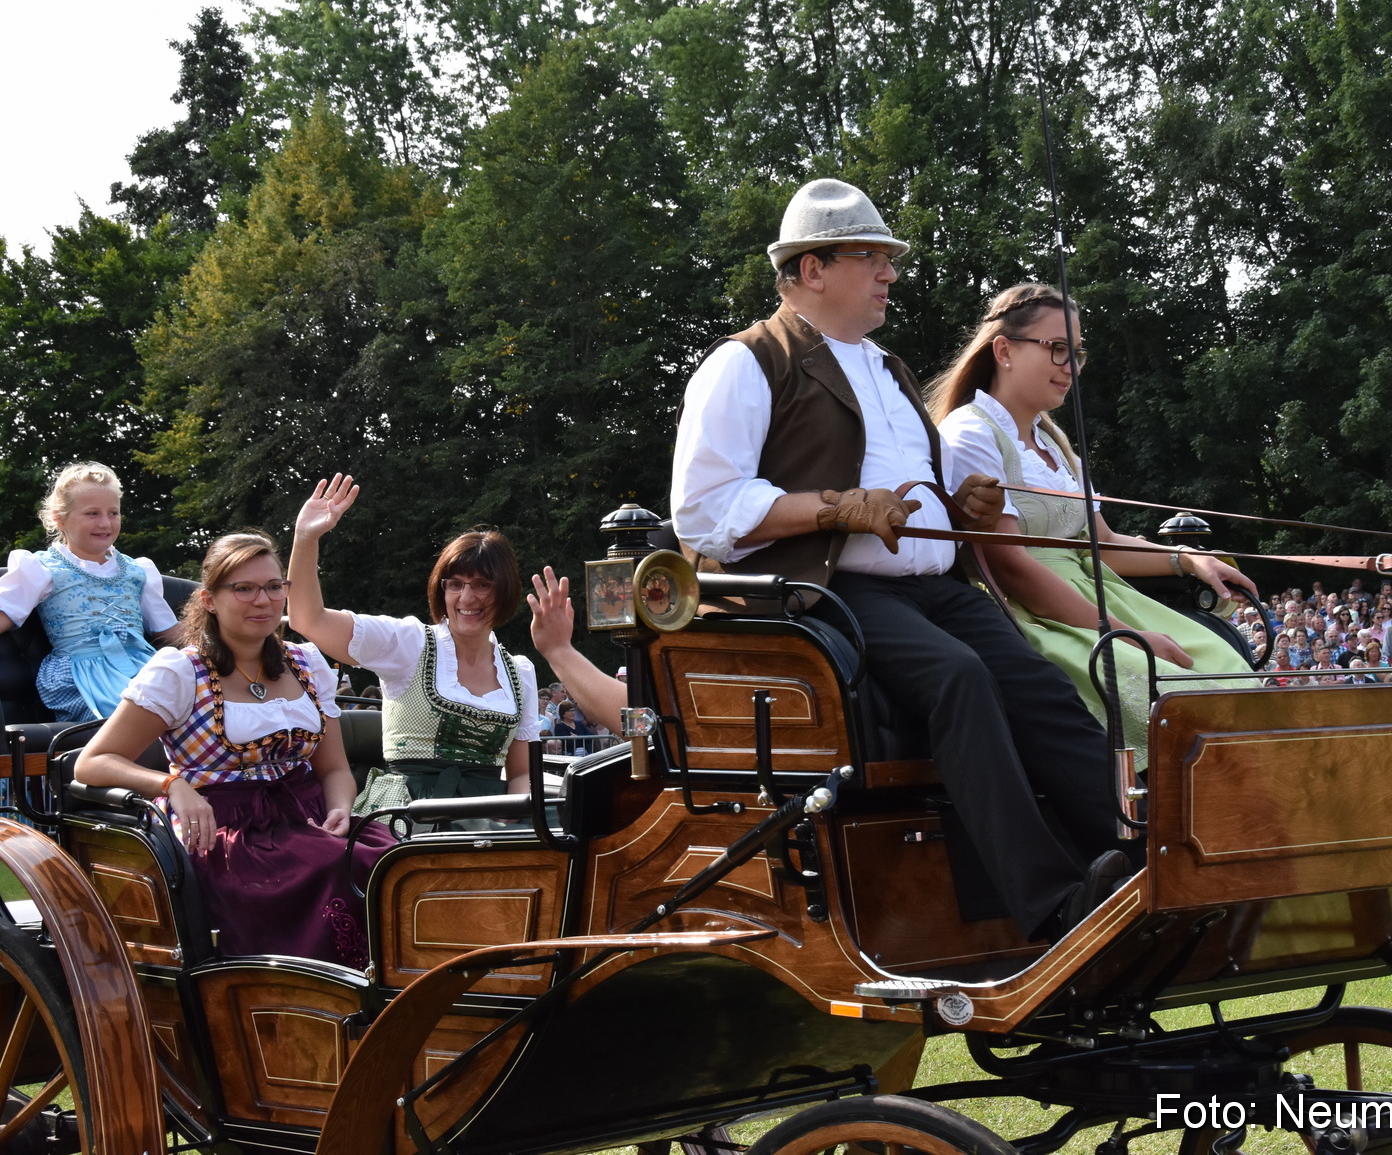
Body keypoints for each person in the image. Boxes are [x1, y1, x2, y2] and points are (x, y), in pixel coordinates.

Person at [670, 178, 1127, 942]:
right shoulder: (746, 363)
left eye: (889, 258)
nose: (889, 273)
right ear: (811, 269)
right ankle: (1051, 906)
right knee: (960, 680)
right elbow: (705, 509)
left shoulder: (887, 367)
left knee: (1042, 686)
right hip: (828, 592)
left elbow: (927, 490)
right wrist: (834, 506)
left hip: (933, 588)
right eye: (871, 256)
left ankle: (1138, 854)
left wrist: (966, 502)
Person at [929, 282, 1257, 766]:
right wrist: (1126, 634)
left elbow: (1102, 543)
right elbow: (1010, 566)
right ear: (1004, 350)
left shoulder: (1056, 443)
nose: (1071, 367)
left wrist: (1187, 560)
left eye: (1076, 353)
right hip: (1035, 611)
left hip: (1097, 592)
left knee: (1225, 663)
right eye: (1057, 349)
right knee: (1159, 686)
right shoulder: (969, 434)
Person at [74, 532, 395, 966]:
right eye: (243, 588)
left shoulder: (307, 664)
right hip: (228, 832)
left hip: (309, 816)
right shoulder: (179, 671)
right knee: (334, 868)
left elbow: (335, 769)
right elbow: (92, 762)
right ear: (209, 599)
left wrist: (340, 809)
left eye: (273, 586)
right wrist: (172, 785)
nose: (262, 600)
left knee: (394, 861)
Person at [286, 476, 625, 801]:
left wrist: (515, 816)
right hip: (409, 817)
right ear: (442, 589)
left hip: (489, 819)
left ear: (504, 592)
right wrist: (305, 538)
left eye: (482, 585)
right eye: (456, 584)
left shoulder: (518, 672)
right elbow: (308, 619)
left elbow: (520, 774)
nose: (467, 598)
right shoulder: (408, 643)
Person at [0, 462, 179, 721]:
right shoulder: (42, 568)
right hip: (82, 674)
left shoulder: (139, 571)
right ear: (60, 518)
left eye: (113, 513)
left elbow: (171, 633)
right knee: (133, 716)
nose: (105, 523)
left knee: (194, 708)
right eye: (92, 513)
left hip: (143, 669)